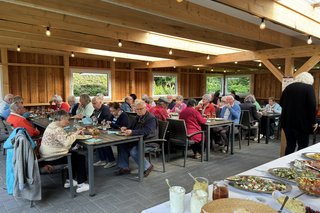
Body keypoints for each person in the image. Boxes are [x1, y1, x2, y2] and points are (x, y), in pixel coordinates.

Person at [39, 110, 89, 193]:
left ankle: (69, 180)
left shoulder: (52, 125)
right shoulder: (57, 129)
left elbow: (62, 138)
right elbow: (66, 143)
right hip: (52, 158)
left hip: (46, 155)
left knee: (74, 154)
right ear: (62, 118)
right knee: (79, 157)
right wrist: (76, 134)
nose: (68, 122)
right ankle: (81, 184)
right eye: (67, 119)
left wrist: (73, 133)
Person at [115, 100, 157, 177]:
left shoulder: (151, 118)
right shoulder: (137, 117)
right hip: (138, 139)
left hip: (149, 141)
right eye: (137, 109)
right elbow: (132, 128)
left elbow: (146, 131)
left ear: (145, 108)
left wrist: (132, 132)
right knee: (121, 145)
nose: (139, 111)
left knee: (134, 151)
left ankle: (148, 167)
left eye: (141, 109)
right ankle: (124, 167)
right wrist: (126, 128)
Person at [280, 72, 317, 155]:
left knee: (290, 145)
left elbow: (281, 103)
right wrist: (314, 122)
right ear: (309, 80)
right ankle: (298, 165)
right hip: (302, 123)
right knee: (303, 145)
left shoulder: (288, 87)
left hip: (287, 122)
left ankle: (286, 164)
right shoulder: (308, 88)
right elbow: (312, 106)